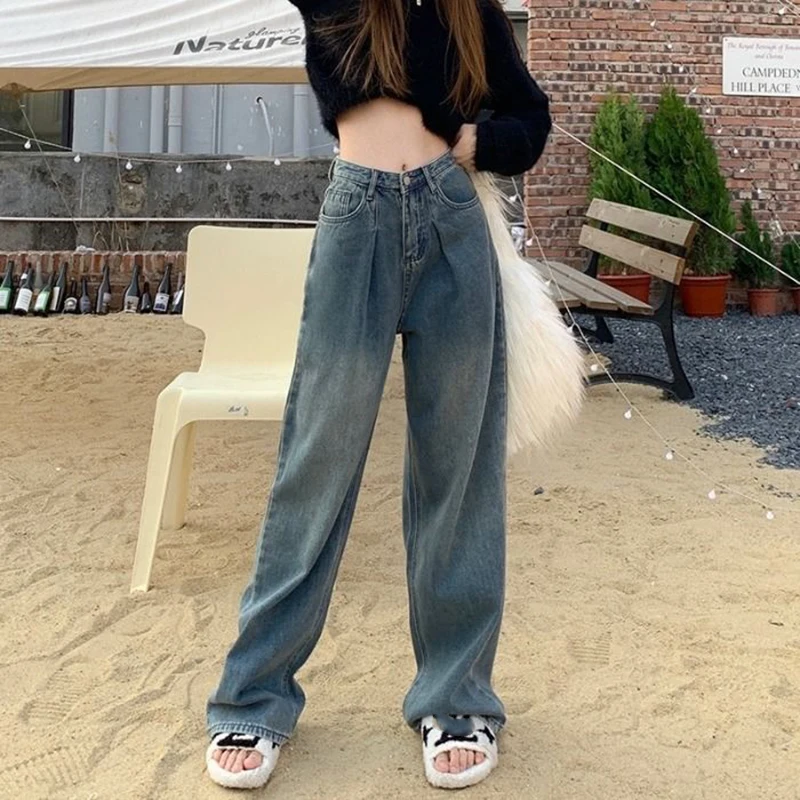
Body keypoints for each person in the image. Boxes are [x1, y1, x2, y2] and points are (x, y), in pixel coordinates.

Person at [205, 0, 551, 790]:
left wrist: (471, 140)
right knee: (316, 462)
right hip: (357, 214)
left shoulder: (468, 9)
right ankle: (254, 695)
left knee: (458, 470)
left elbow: (529, 121)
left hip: (452, 218)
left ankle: (456, 699)